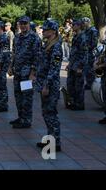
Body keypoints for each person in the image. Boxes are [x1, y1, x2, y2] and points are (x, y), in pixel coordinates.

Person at [8, 16, 42, 129]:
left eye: (25, 23)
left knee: (26, 97)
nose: (23, 25)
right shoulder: (17, 37)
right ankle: (20, 117)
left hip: (27, 74)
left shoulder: (34, 38)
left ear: (28, 24)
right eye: (21, 23)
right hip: (17, 72)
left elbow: (37, 56)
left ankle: (26, 120)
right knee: (18, 96)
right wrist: (10, 67)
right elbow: (14, 53)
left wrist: (33, 73)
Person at [36, 20, 63, 152]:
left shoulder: (56, 47)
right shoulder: (47, 44)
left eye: (46, 30)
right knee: (46, 112)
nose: (44, 31)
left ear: (53, 31)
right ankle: (50, 139)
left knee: (51, 113)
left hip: (50, 85)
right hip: (44, 83)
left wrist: (46, 85)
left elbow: (54, 69)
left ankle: (55, 142)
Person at [65, 19, 88, 111]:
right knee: (71, 85)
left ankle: (79, 104)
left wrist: (80, 67)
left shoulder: (83, 37)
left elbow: (84, 53)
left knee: (78, 86)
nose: (72, 26)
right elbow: (74, 52)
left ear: (79, 26)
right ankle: (73, 102)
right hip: (73, 65)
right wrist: (69, 64)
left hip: (78, 66)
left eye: (74, 24)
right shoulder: (76, 36)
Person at [0, 20, 12, 112]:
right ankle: (1, 103)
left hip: (1, 66)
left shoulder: (4, 38)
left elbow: (4, 53)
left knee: (2, 85)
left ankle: (4, 104)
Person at [82, 17, 99, 90]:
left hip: (90, 52)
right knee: (86, 68)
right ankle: (88, 83)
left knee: (90, 69)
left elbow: (94, 43)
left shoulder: (93, 30)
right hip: (86, 52)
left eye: (83, 22)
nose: (82, 24)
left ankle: (91, 84)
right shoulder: (85, 30)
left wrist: (87, 47)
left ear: (88, 22)